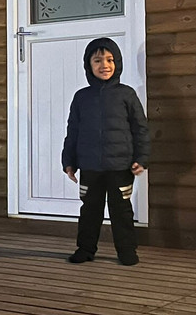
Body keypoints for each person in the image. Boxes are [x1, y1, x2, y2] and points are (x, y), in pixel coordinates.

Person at [61, 37, 150, 266]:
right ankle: (85, 249)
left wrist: (142, 158)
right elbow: (73, 132)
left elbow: (140, 129)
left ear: (117, 63)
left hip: (121, 167)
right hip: (90, 166)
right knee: (90, 210)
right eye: (97, 60)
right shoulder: (81, 97)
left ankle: (127, 251)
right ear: (88, 65)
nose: (104, 65)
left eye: (110, 60)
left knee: (121, 210)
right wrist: (69, 161)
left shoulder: (126, 94)